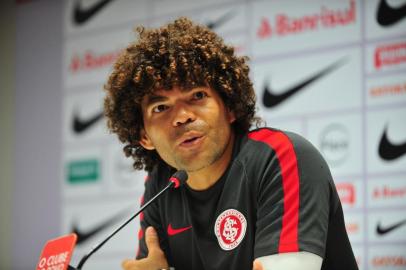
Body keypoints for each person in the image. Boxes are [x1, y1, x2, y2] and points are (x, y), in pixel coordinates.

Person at [103, 17, 358, 270]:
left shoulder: (280, 157)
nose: (182, 116)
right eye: (161, 107)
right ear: (144, 137)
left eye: (198, 95)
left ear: (229, 108)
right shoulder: (162, 184)